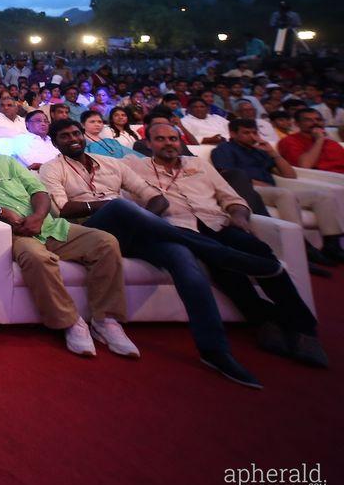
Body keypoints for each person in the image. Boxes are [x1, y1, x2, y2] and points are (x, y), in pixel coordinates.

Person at [40, 118, 278, 387]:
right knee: (118, 206)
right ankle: (218, 253)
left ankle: (215, 351)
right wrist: (109, 206)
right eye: (64, 136)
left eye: (76, 133)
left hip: (132, 232)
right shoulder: (52, 169)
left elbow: (157, 198)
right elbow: (63, 209)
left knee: (183, 258)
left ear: (83, 135)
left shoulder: (111, 164)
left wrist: (142, 221)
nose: (72, 138)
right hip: (90, 232)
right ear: (54, 141)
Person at [127, 119, 326, 368]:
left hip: (218, 224)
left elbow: (230, 197)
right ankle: (266, 320)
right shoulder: (135, 167)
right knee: (221, 265)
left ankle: (300, 328)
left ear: (180, 142)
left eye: (172, 139)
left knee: (258, 251)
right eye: (160, 139)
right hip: (181, 229)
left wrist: (239, 217)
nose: (168, 144)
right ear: (148, 143)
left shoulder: (199, 165)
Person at [0, 123, 136, 358]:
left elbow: (38, 191)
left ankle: (106, 320)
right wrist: (0, 211)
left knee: (105, 242)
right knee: (37, 258)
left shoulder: (7, 162)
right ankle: (70, 322)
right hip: (13, 233)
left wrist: (39, 216)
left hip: (48, 225)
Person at [213, 118, 344, 263]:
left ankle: (332, 246)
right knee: (284, 193)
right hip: (250, 191)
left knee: (323, 196)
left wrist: (272, 152)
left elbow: (290, 175)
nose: (252, 136)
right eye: (246, 133)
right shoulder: (223, 149)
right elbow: (228, 176)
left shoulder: (260, 151)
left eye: (254, 132)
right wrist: (262, 184)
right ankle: (301, 245)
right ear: (233, 133)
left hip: (273, 190)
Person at [277, 107, 344, 174]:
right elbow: (304, 166)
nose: (315, 122)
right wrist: (319, 140)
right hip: (321, 179)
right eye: (308, 120)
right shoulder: (289, 141)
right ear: (297, 124)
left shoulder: (331, 143)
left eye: (319, 119)